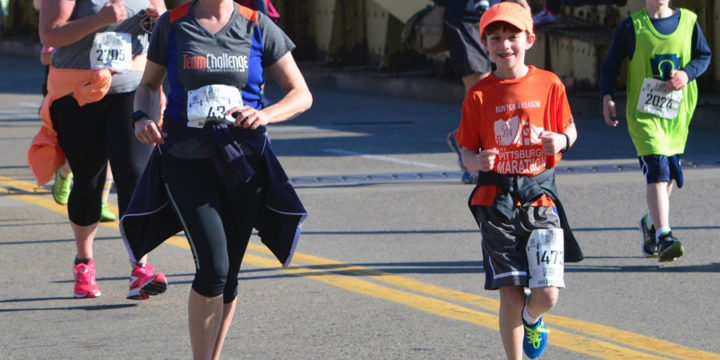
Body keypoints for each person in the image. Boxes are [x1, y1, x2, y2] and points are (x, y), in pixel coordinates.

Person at [122, 0, 312, 358]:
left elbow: (301, 94)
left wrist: (265, 114)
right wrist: (141, 118)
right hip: (185, 161)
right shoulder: (173, 24)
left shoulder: (257, 26)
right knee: (213, 269)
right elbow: (148, 85)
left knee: (229, 277)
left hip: (243, 165)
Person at [456, 3, 582, 358]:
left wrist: (562, 141)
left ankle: (532, 318)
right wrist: (476, 161)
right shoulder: (479, 94)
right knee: (509, 290)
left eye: (512, 36)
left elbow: (570, 127)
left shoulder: (549, 83)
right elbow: (466, 150)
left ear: (529, 38)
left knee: (547, 293)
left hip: (540, 196)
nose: (504, 45)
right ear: (485, 44)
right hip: (495, 201)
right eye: (495, 37)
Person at [32, 0, 168, 300]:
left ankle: (140, 267)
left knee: (134, 175)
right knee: (88, 179)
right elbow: (50, 35)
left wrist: (161, 20)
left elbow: (165, 24)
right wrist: (101, 19)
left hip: (133, 89)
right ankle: (84, 262)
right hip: (78, 92)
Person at [599, 0, 711, 262]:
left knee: (669, 173)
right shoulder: (632, 26)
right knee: (658, 169)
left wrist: (687, 73)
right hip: (645, 115)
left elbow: (703, 56)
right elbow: (611, 65)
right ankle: (664, 235)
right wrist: (607, 96)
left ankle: (650, 223)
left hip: (677, 114)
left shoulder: (689, 22)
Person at [436, 0, 530, 184]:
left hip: (496, 16)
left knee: (499, 85)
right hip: (464, 16)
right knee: (480, 88)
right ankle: (470, 153)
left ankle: (465, 140)